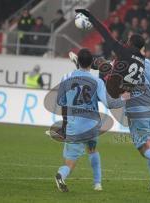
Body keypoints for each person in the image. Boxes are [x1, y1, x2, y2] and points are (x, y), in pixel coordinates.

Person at [75, 9, 150, 189]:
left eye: (127, 42)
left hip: (137, 110)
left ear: (131, 44)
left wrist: (93, 66)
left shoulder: (123, 57)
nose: (124, 43)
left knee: (145, 149)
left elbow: (111, 68)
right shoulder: (146, 63)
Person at [55, 48, 130, 192]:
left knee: (70, 162)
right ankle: (97, 184)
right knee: (93, 150)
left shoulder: (66, 78)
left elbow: (61, 102)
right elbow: (109, 104)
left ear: (78, 62)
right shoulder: (97, 81)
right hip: (91, 125)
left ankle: (61, 174)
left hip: (74, 126)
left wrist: (64, 125)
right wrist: (124, 98)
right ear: (92, 64)